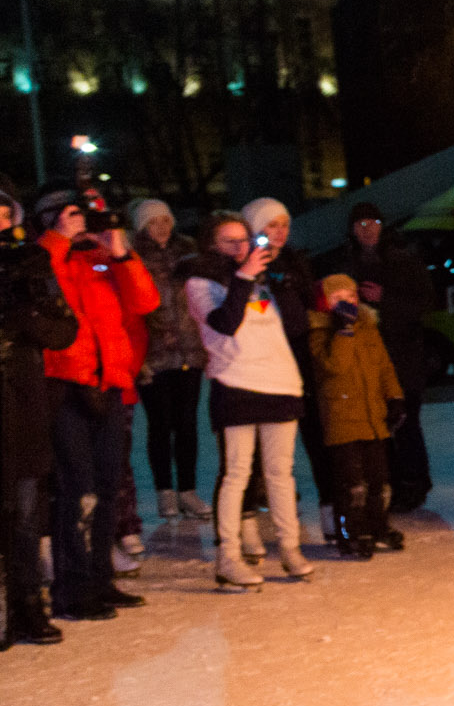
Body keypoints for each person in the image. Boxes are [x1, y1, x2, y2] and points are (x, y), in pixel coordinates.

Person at [33, 189, 158, 622]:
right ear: (49, 219)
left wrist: (121, 255)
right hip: (66, 385)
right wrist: (58, 238)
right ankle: (72, 588)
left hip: (109, 383)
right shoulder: (47, 256)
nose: (82, 221)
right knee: (76, 490)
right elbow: (44, 291)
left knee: (107, 489)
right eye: (71, 215)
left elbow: (145, 303)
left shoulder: (97, 257)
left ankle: (101, 579)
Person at [190, 212, 316, 588]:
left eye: (244, 240)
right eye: (228, 241)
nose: (239, 248)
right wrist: (244, 276)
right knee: (237, 474)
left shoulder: (262, 279)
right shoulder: (200, 282)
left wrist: (285, 281)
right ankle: (228, 556)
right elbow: (225, 322)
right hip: (236, 382)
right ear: (211, 245)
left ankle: (290, 548)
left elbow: (293, 324)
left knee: (280, 473)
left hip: (279, 381)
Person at [240, 197, 338, 541]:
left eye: (284, 225)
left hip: (298, 358)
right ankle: (246, 517)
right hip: (259, 362)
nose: (279, 232)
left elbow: (304, 314)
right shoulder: (244, 265)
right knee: (252, 448)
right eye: (271, 225)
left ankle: (331, 509)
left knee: (315, 434)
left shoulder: (296, 263)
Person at [3, 226, 78, 645]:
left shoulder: (29, 263)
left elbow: (64, 330)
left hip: (23, 403)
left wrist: (26, 316)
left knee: (26, 513)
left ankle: (29, 605)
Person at [343, 201, 437, 513]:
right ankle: (390, 483)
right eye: (360, 224)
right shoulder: (347, 264)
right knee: (378, 426)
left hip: (403, 358)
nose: (367, 230)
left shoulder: (402, 261)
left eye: (372, 223)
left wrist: (386, 300)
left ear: (383, 226)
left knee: (406, 422)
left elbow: (424, 303)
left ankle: (414, 483)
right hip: (368, 359)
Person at [307, 274, 406, 557]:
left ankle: (377, 525)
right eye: (338, 298)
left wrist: (395, 397)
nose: (346, 303)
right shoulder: (319, 331)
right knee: (352, 484)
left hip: (373, 417)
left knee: (379, 480)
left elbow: (384, 366)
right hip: (342, 417)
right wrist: (343, 331)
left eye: (350, 297)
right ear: (326, 302)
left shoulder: (369, 327)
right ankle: (350, 531)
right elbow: (335, 366)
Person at [129, 199, 211, 522]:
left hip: (189, 349)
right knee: (160, 424)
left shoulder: (187, 251)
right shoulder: (135, 256)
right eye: (153, 222)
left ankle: (187, 490)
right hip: (154, 352)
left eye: (165, 219)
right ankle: (165, 490)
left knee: (187, 423)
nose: (161, 227)